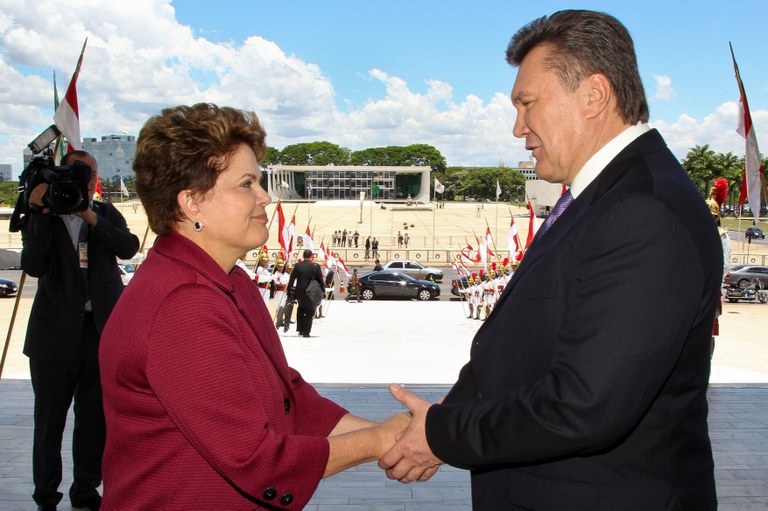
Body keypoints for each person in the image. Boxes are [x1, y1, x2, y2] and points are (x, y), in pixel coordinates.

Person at [379, 10, 722, 510]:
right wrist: (441, 418)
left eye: (528, 104)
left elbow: (585, 404)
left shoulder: (642, 210)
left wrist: (443, 432)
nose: (518, 128)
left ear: (593, 96)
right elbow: (522, 345)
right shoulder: (600, 199)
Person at [98, 103, 409, 510]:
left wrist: (399, 437)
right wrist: (380, 440)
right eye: (247, 184)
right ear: (192, 203)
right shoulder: (183, 303)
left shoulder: (228, 280)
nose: (265, 197)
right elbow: (256, 460)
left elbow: (290, 398)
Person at [20, 149, 139, 511]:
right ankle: (45, 497)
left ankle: (85, 490)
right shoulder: (44, 215)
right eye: (76, 174)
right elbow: (34, 266)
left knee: (94, 420)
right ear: (58, 175)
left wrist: (88, 214)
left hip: (100, 333)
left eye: (89, 175)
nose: (83, 182)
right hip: (53, 337)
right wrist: (39, 213)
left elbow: (128, 247)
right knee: (49, 423)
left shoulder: (103, 212)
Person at [287, 248, 325, 337]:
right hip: (311, 291)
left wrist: (289, 291)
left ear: (303, 256)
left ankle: (300, 329)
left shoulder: (297, 266)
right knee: (309, 311)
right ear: (311, 256)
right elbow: (320, 280)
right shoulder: (315, 266)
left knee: (301, 308)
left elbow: (292, 279)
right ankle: (306, 332)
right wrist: (323, 290)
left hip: (299, 291)